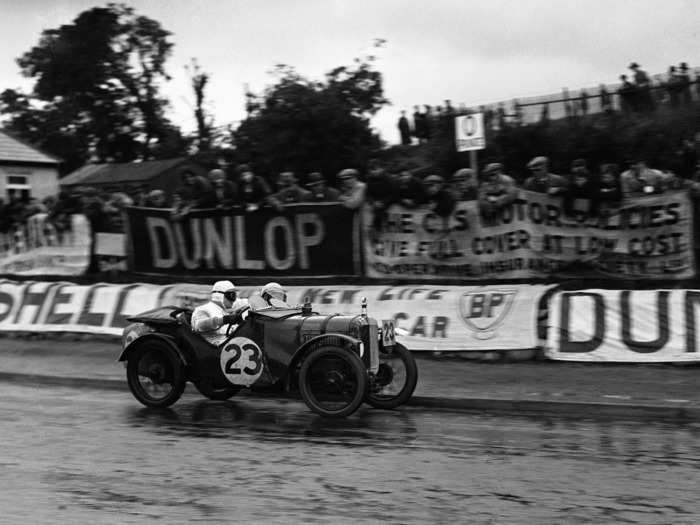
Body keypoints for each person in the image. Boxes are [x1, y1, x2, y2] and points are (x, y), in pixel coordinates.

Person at [191, 280, 246, 346]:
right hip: (214, 350)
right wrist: (224, 320)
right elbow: (199, 326)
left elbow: (245, 303)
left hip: (231, 346)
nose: (234, 299)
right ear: (219, 295)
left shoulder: (223, 310)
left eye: (234, 295)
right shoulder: (203, 309)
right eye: (231, 295)